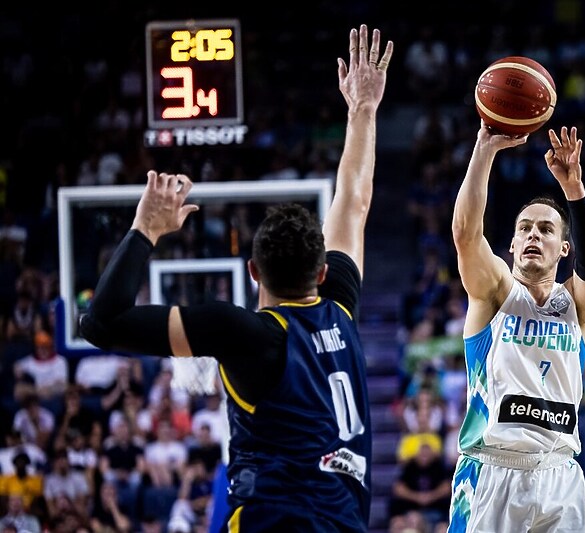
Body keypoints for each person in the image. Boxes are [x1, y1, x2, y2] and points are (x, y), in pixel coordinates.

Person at [78, 24, 393, 532]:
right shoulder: (340, 308)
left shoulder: (246, 334)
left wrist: (146, 229)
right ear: (322, 271)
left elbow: (100, 323)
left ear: (252, 273)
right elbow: (354, 202)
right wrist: (363, 109)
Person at [447, 125, 585, 532]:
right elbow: (466, 235)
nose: (533, 233)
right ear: (513, 247)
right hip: (492, 470)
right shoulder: (495, 293)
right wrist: (483, 150)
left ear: (563, 249)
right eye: (524, 229)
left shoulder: (578, 305)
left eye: (546, 229)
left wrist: (574, 188)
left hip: (560, 474)